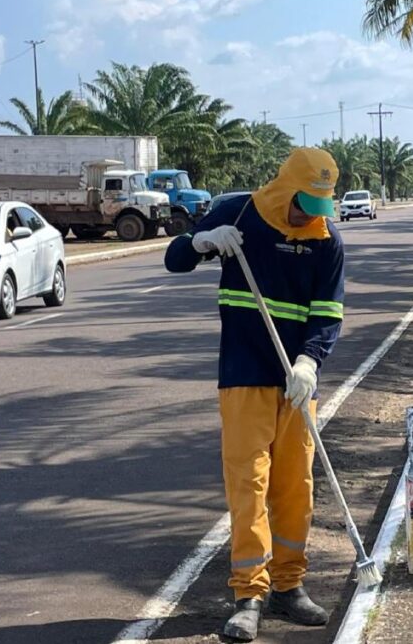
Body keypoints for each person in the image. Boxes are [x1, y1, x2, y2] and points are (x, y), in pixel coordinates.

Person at [164, 148, 345, 642]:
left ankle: (290, 586)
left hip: (295, 385)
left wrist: (309, 361)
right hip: (244, 376)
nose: (309, 215)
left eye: (319, 205)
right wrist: (201, 240)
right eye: (304, 202)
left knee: (296, 488)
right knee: (250, 488)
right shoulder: (239, 213)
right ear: (285, 187)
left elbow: (327, 314)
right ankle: (249, 595)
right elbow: (174, 259)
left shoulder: (326, 240)